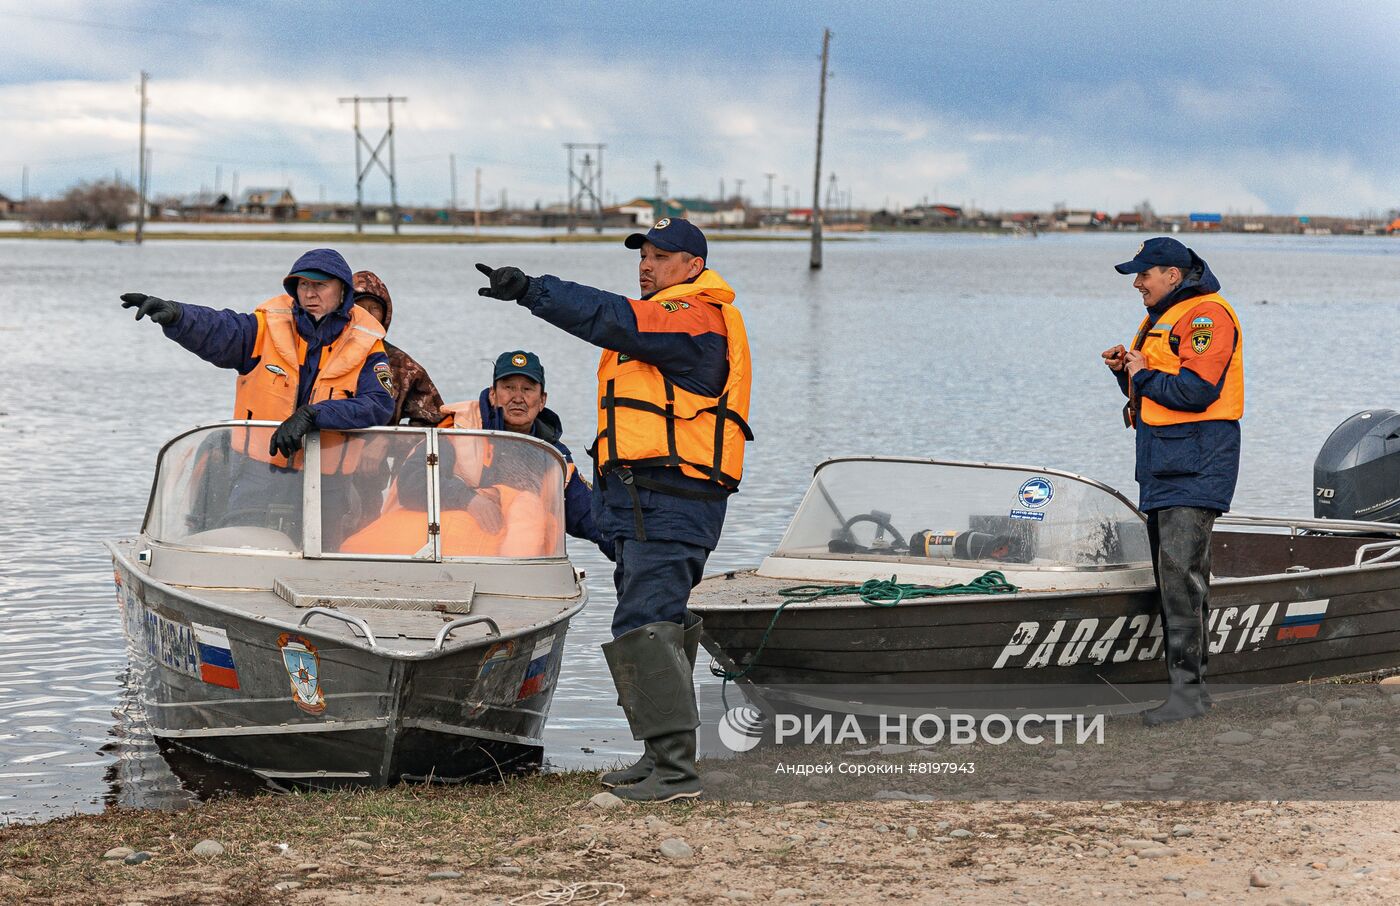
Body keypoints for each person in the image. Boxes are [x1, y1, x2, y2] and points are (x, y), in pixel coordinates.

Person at [474, 217, 752, 801]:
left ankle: (675, 772)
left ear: (693, 267)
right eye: (643, 254)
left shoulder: (695, 317)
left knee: (644, 623)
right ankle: (661, 757)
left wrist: (531, 290)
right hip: (642, 502)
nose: (646, 265)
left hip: (674, 500)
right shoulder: (667, 319)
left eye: (660, 255)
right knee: (659, 624)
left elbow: (612, 317)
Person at [120, 249, 395, 524]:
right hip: (259, 472)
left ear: (343, 291)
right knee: (244, 545)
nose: (310, 294)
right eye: (303, 285)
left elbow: (378, 404)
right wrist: (178, 316)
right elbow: (219, 328)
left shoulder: (368, 344)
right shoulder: (264, 327)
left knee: (324, 558)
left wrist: (313, 414)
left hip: (328, 482)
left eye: (320, 285)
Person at [1102, 237, 1243, 726]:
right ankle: (1190, 694)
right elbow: (1159, 391)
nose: (1137, 283)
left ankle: (1187, 696)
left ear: (1174, 275)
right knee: (1177, 579)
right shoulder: (1164, 316)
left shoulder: (1206, 317)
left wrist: (1141, 374)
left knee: (1182, 579)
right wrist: (1128, 374)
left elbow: (1197, 391)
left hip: (1197, 465)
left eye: (1145, 274)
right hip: (1166, 465)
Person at [439, 350, 609, 556]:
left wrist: (636, 550)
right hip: (451, 562)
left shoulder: (555, 456)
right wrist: (468, 500)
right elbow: (411, 481)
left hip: (521, 576)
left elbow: (590, 516)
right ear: (493, 394)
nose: (518, 398)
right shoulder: (458, 429)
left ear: (542, 400)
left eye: (527, 389)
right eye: (508, 388)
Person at [351, 270, 446, 426]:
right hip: (325, 447)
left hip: (378, 449)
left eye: (374, 308)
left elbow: (436, 421)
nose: (367, 315)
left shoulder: (403, 366)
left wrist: (398, 443)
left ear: (385, 314)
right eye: (359, 307)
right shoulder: (322, 352)